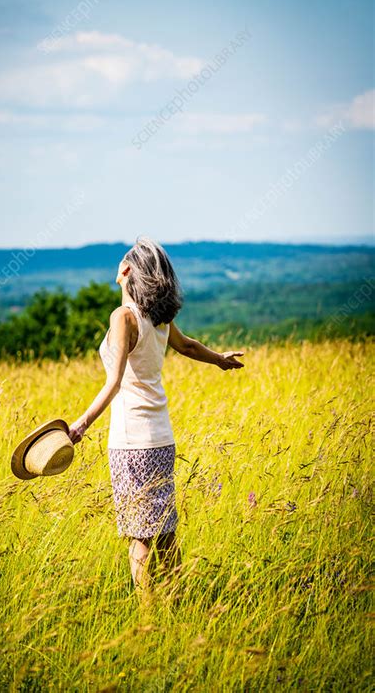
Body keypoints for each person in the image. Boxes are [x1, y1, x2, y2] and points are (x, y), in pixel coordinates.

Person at [68, 236, 244, 606]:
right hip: (161, 439)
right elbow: (188, 347)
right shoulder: (156, 315)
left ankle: (150, 622)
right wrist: (220, 359)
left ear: (127, 271)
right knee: (165, 533)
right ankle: (178, 604)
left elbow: (114, 382)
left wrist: (80, 425)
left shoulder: (124, 317)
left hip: (132, 442)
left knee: (140, 537)